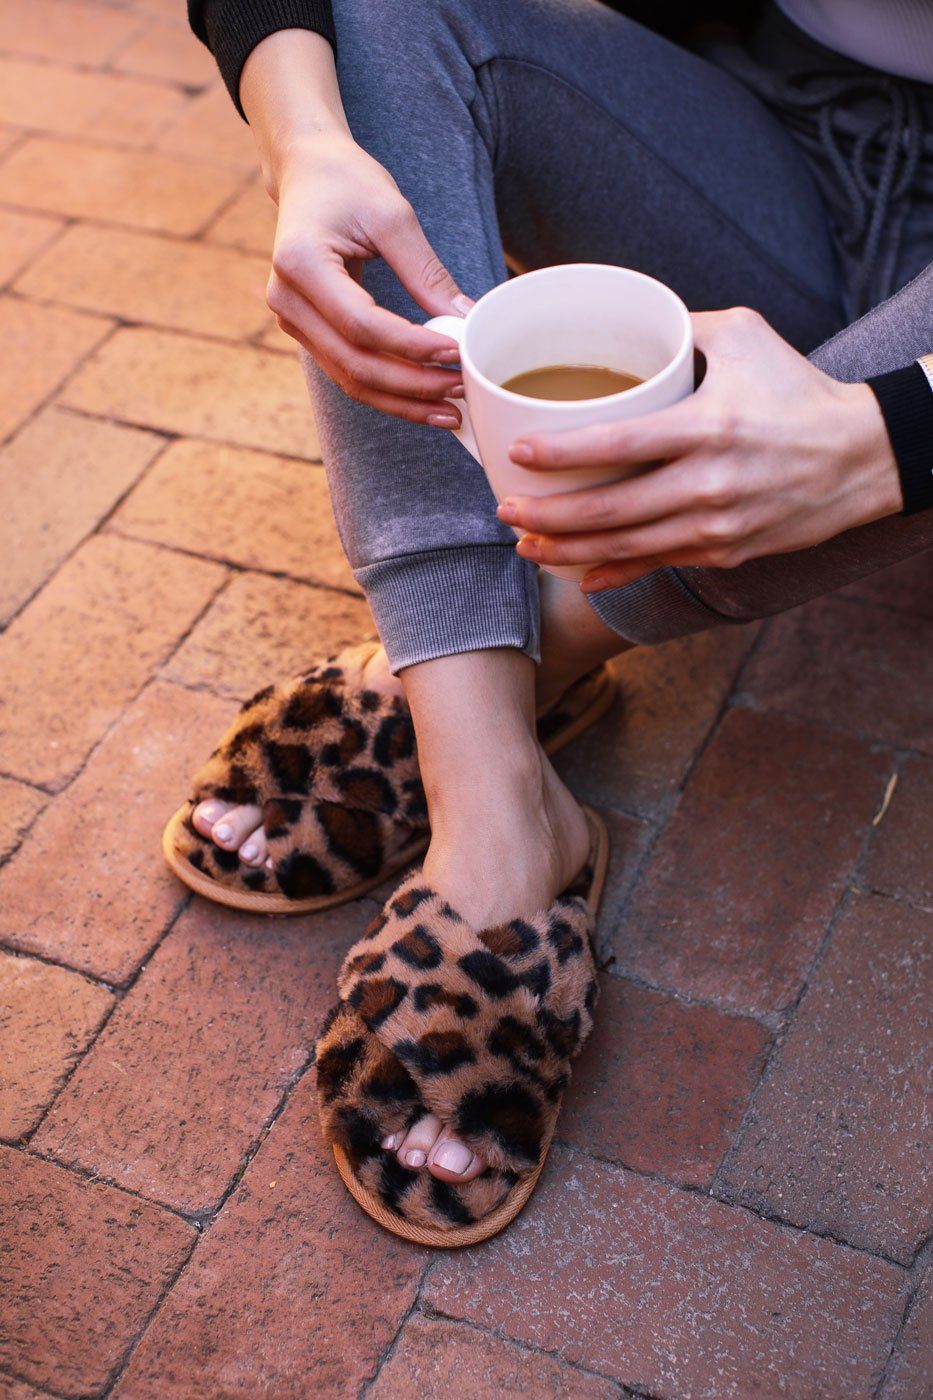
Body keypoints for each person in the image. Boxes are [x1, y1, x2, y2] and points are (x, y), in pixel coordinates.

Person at [170, 0, 933, 1239]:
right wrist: (305, 141)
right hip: (776, 144)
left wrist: (894, 436)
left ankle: (515, 657)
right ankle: (497, 804)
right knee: (373, 22)